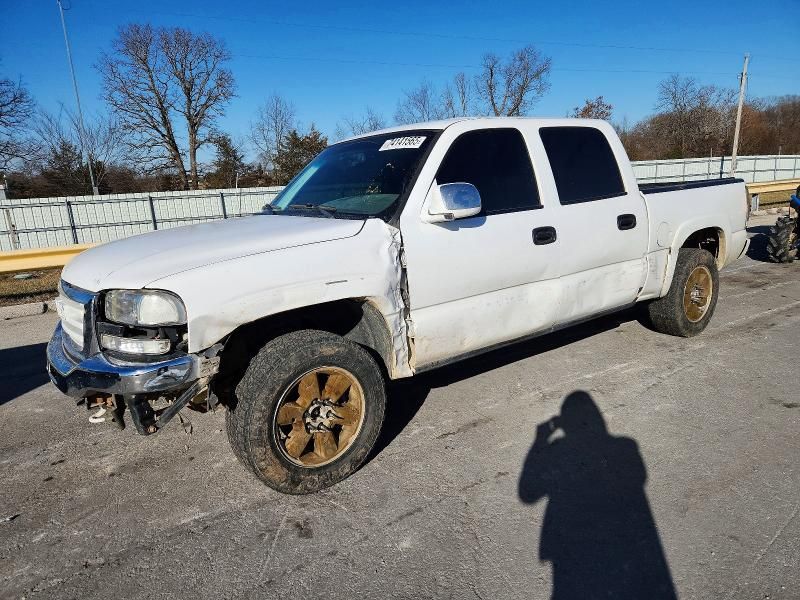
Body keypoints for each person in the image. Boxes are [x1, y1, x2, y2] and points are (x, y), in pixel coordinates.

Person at [518, 391, 676, 599]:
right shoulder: (625, 446)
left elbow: (528, 493)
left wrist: (540, 440)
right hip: (623, 544)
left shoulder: (559, 450)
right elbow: (639, 478)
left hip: (574, 549)